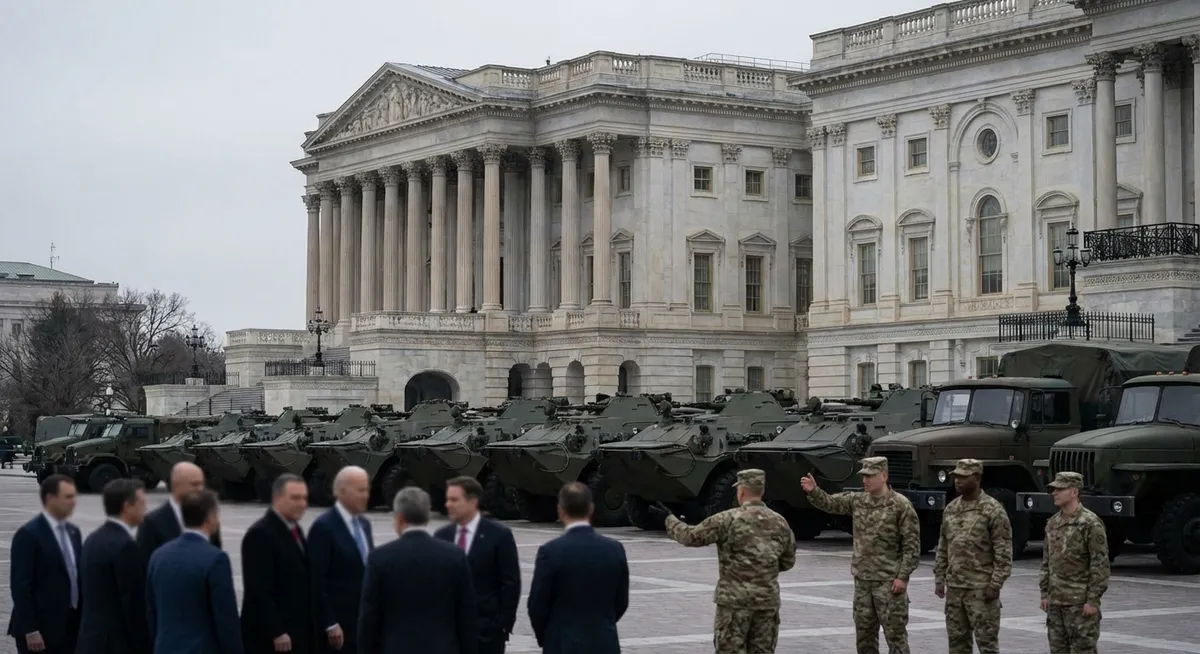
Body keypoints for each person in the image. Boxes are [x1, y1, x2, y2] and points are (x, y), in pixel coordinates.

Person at [652, 469, 795, 653]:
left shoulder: (727, 519)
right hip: (767, 604)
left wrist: (669, 519)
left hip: (734, 604)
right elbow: (788, 561)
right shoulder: (780, 522)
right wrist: (761, 566)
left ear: (741, 491)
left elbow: (690, 537)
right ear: (761, 491)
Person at [801, 457, 919, 654]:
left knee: (896, 638)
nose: (865, 480)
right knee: (864, 639)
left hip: (889, 583)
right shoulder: (858, 500)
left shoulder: (901, 505)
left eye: (870, 476)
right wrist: (814, 491)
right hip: (863, 582)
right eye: (863, 476)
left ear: (883, 476)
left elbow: (912, 546)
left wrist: (902, 576)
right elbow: (831, 503)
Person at [358, 486, 477, 654]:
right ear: (427, 516)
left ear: (399, 518)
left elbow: (369, 616)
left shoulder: (380, 558)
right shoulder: (454, 556)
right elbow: (467, 614)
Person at [527, 482, 630, 654]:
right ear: (591, 509)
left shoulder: (551, 551)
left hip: (563, 643)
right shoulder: (614, 549)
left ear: (560, 511)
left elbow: (537, 605)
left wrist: (548, 637)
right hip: (604, 643)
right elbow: (621, 602)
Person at [146, 489, 243, 654]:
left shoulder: (158, 555)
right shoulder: (215, 559)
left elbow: (151, 611)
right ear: (210, 516)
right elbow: (226, 618)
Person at [932, 459, 1013, 654]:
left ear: (976, 478)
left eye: (963, 477)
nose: (957, 481)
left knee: (987, 645)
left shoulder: (993, 510)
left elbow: (1004, 552)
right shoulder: (951, 509)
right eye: (955, 477)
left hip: (981, 590)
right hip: (955, 590)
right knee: (957, 644)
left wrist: (995, 584)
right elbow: (943, 546)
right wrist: (939, 577)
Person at [435, 476, 521, 654]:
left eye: (454, 500)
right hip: (449, 634)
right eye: (447, 499)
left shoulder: (498, 535)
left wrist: (501, 624)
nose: (448, 505)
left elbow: (510, 582)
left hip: (487, 632)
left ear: (473, 501)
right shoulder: (442, 536)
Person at [7, 473, 82, 654]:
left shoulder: (73, 532)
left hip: (70, 625)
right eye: (68, 497)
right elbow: (20, 587)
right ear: (50, 499)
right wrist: (30, 630)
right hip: (40, 629)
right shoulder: (29, 534)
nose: (73, 502)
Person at [241, 473, 315, 654]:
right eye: (295, 498)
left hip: (296, 630)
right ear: (277, 498)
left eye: (304, 498)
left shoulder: (294, 530)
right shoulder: (260, 534)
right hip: (273, 639)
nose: (302, 504)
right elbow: (258, 590)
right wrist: (277, 631)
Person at [77, 478, 152, 654]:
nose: (146, 509)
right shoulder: (126, 547)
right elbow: (133, 605)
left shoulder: (93, 539)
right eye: (142, 503)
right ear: (127, 506)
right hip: (116, 644)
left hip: (91, 640)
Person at [1040, 471, 1110, 654]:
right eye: (1053, 489)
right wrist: (1045, 593)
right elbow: (1047, 562)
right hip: (1056, 604)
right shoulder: (1052, 523)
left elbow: (1100, 565)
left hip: (1079, 604)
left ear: (1074, 492)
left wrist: (1093, 600)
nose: (1054, 493)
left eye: (1060, 489)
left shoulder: (1090, 523)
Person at [308, 466, 375, 653]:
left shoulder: (364, 525)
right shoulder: (324, 527)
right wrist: (329, 623)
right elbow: (316, 581)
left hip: (362, 621)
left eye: (367, 490)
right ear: (341, 491)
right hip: (339, 628)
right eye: (360, 490)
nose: (366, 495)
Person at [137, 462, 222, 556]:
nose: (200, 489)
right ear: (176, 485)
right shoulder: (152, 523)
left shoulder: (208, 518)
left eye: (202, 484)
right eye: (194, 484)